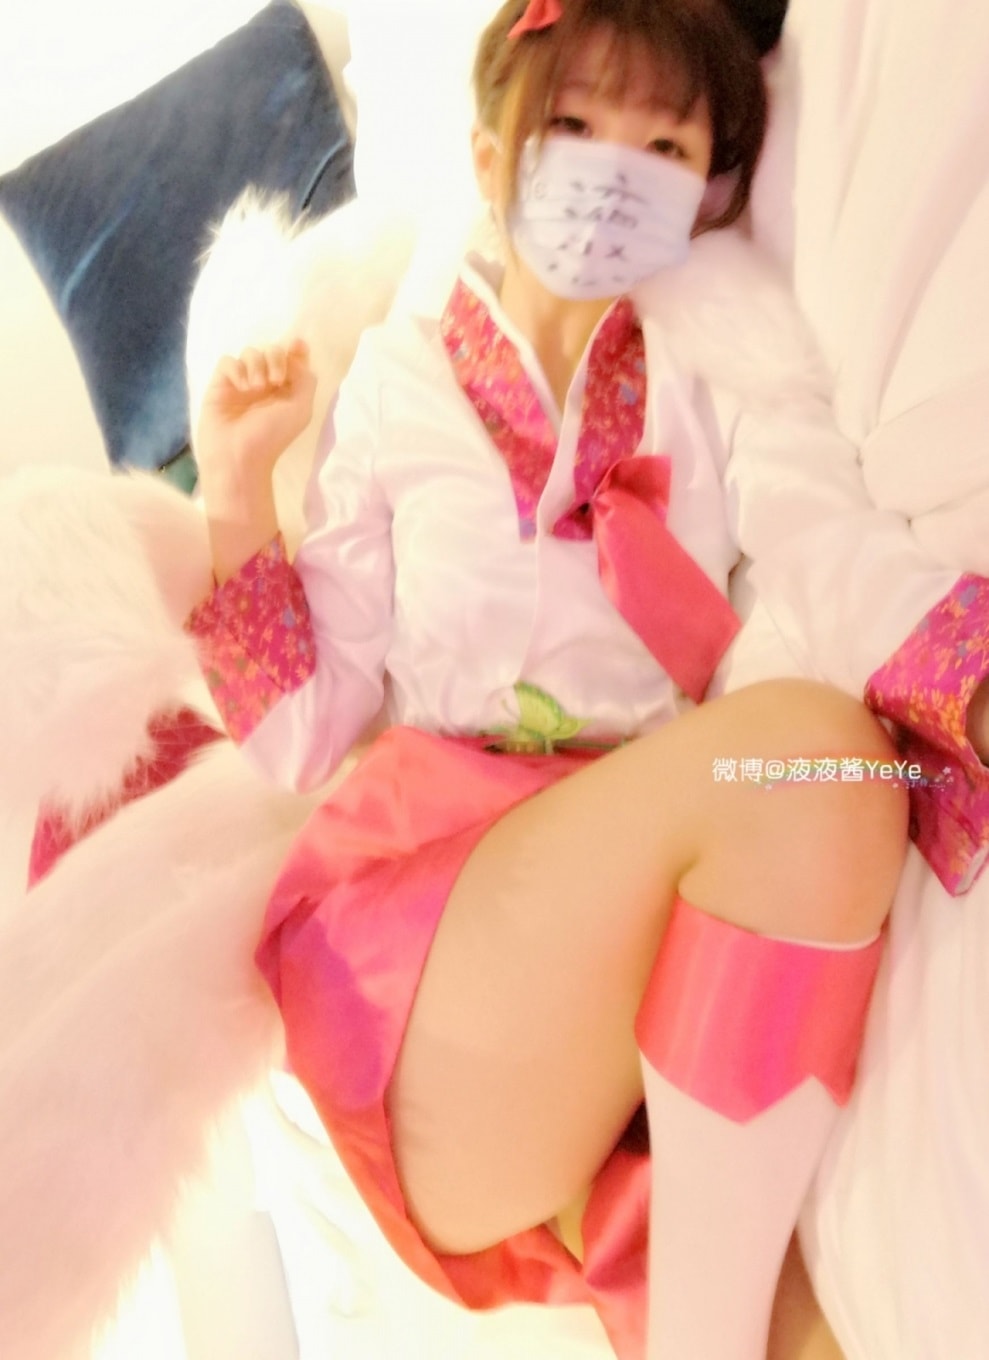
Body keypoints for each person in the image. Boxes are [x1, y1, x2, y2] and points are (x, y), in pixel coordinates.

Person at [188, 2, 906, 1358]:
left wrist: (948, 680)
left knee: (834, 771)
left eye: (662, 143)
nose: (612, 169)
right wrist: (234, 488)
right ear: (488, 156)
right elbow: (299, 739)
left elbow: (824, 541)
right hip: (417, 954)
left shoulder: (718, 375)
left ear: (709, 191)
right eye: (573, 125)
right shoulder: (400, 379)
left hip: (618, 989)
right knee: (817, 763)